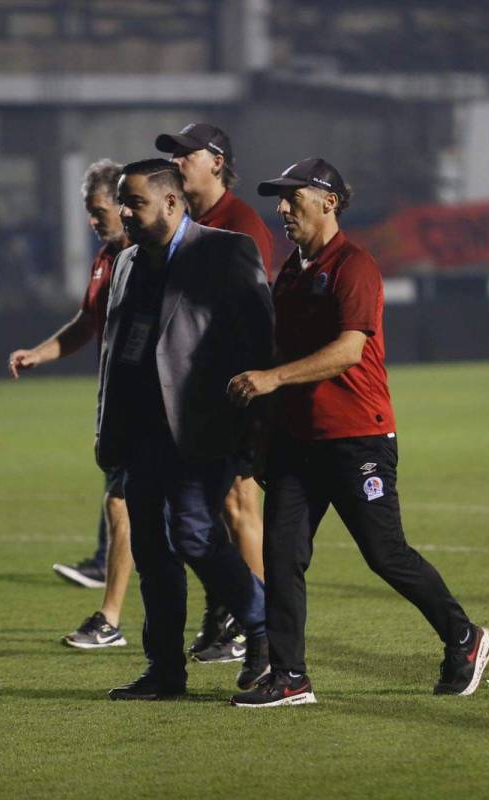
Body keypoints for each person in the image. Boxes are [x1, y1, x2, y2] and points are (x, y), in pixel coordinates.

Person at [227, 158, 489, 708]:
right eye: (278, 199)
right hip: (297, 443)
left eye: (291, 197)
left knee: (385, 553)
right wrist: (261, 432)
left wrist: (272, 379)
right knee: (282, 554)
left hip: (357, 439)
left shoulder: (354, 265)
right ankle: (291, 676)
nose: (280, 208)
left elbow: (350, 350)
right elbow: (279, 352)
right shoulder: (293, 273)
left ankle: (463, 637)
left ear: (328, 200)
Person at [98, 159, 273, 700]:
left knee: (195, 535)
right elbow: (115, 351)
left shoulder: (226, 251)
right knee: (151, 551)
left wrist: (253, 433)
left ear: (172, 203)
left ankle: (264, 629)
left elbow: (261, 343)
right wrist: (108, 426)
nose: (124, 213)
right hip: (141, 434)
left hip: (204, 430)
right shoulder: (127, 261)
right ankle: (166, 670)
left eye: (135, 203)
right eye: (122, 203)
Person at [155, 122, 274, 663]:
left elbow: (257, 316)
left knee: (238, 503)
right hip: (199, 397)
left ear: (217, 162)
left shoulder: (240, 225)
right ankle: (227, 617)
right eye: (174, 154)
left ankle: (257, 626)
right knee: (216, 511)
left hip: (236, 392)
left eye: (187, 154)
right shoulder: (191, 221)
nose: (177, 161)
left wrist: (256, 403)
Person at [6, 159, 134, 649]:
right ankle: (115, 617)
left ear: (124, 206)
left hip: (153, 407)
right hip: (119, 405)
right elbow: (86, 321)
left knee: (143, 510)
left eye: (97, 209)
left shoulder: (153, 256)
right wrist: (40, 353)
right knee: (130, 508)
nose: (91, 220)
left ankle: (113, 618)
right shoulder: (106, 257)